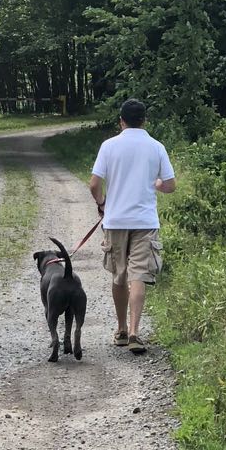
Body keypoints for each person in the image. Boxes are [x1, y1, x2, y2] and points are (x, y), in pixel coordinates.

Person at [88, 98, 175, 355]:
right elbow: (170, 185)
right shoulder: (156, 147)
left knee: (119, 274)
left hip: (115, 221)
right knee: (139, 275)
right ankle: (137, 332)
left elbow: (94, 184)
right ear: (145, 120)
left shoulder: (109, 146)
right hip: (145, 222)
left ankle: (122, 330)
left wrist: (102, 204)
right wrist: (157, 185)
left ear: (121, 121)